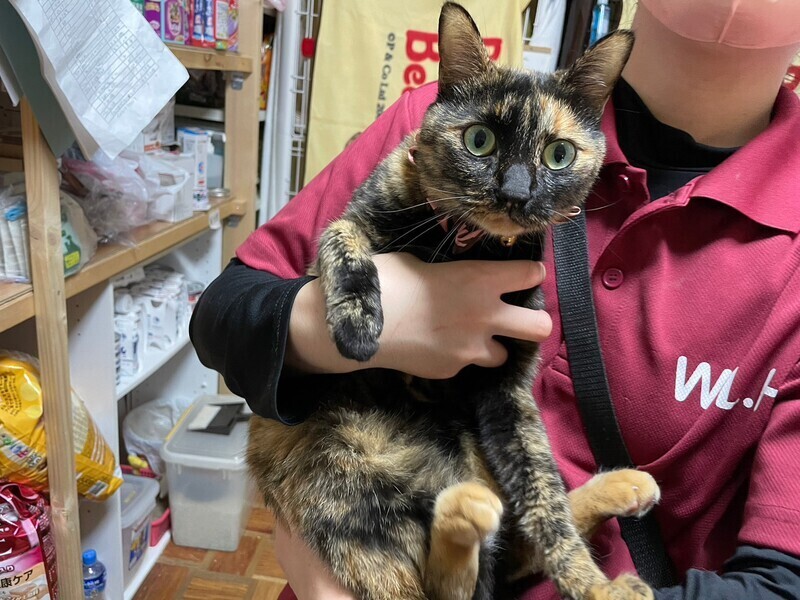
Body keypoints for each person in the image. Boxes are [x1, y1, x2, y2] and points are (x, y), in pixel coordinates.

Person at [190, 1, 800, 598]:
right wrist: (326, 326)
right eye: (482, 143)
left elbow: (781, 584)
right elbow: (221, 317)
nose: (515, 191)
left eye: (558, 156)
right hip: (362, 510)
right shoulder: (425, 133)